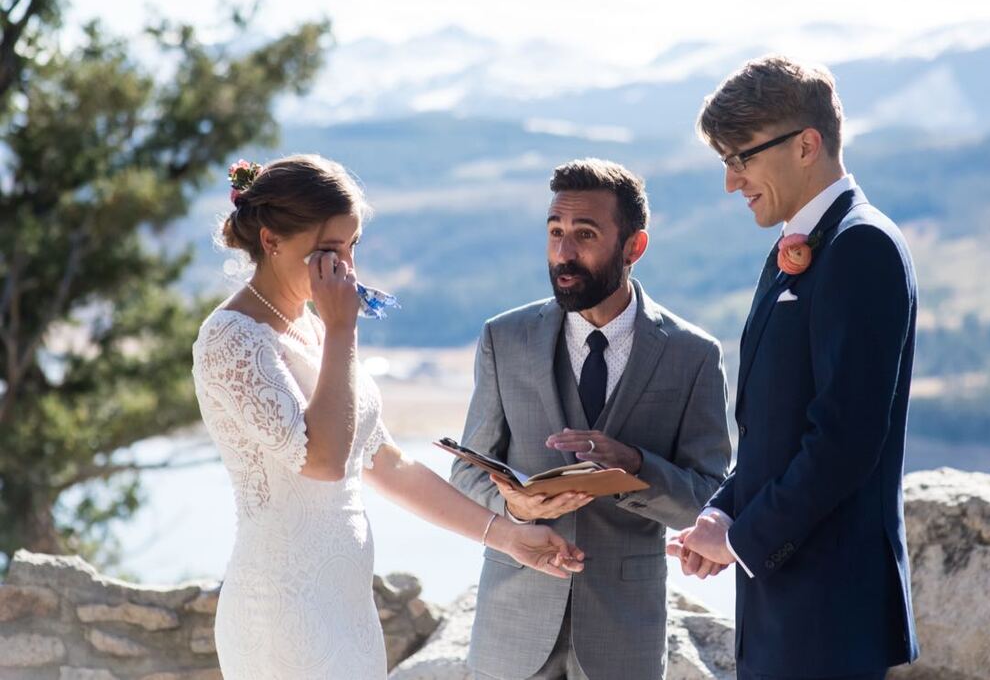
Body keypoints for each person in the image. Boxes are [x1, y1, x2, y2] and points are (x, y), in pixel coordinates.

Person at [191, 154, 585, 680]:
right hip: (282, 609)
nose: (347, 270)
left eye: (352, 248)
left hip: (346, 607)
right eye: (329, 251)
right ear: (271, 241)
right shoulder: (233, 339)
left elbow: (389, 463)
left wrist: (507, 534)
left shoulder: (311, 329)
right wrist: (342, 331)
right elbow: (325, 461)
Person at [667, 56, 920, 680]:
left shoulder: (862, 246)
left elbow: (845, 440)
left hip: (831, 609)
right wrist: (723, 513)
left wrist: (743, 541)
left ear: (807, 145)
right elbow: (771, 430)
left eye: (741, 157)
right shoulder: (793, 248)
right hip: (785, 601)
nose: (731, 182)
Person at [450, 158, 732, 680]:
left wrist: (634, 466)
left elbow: (708, 499)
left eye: (585, 233)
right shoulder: (503, 338)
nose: (564, 252)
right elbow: (467, 472)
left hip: (623, 635)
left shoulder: (693, 355)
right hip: (511, 628)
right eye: (555, 232)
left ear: (634, 247)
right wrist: (515, 508)